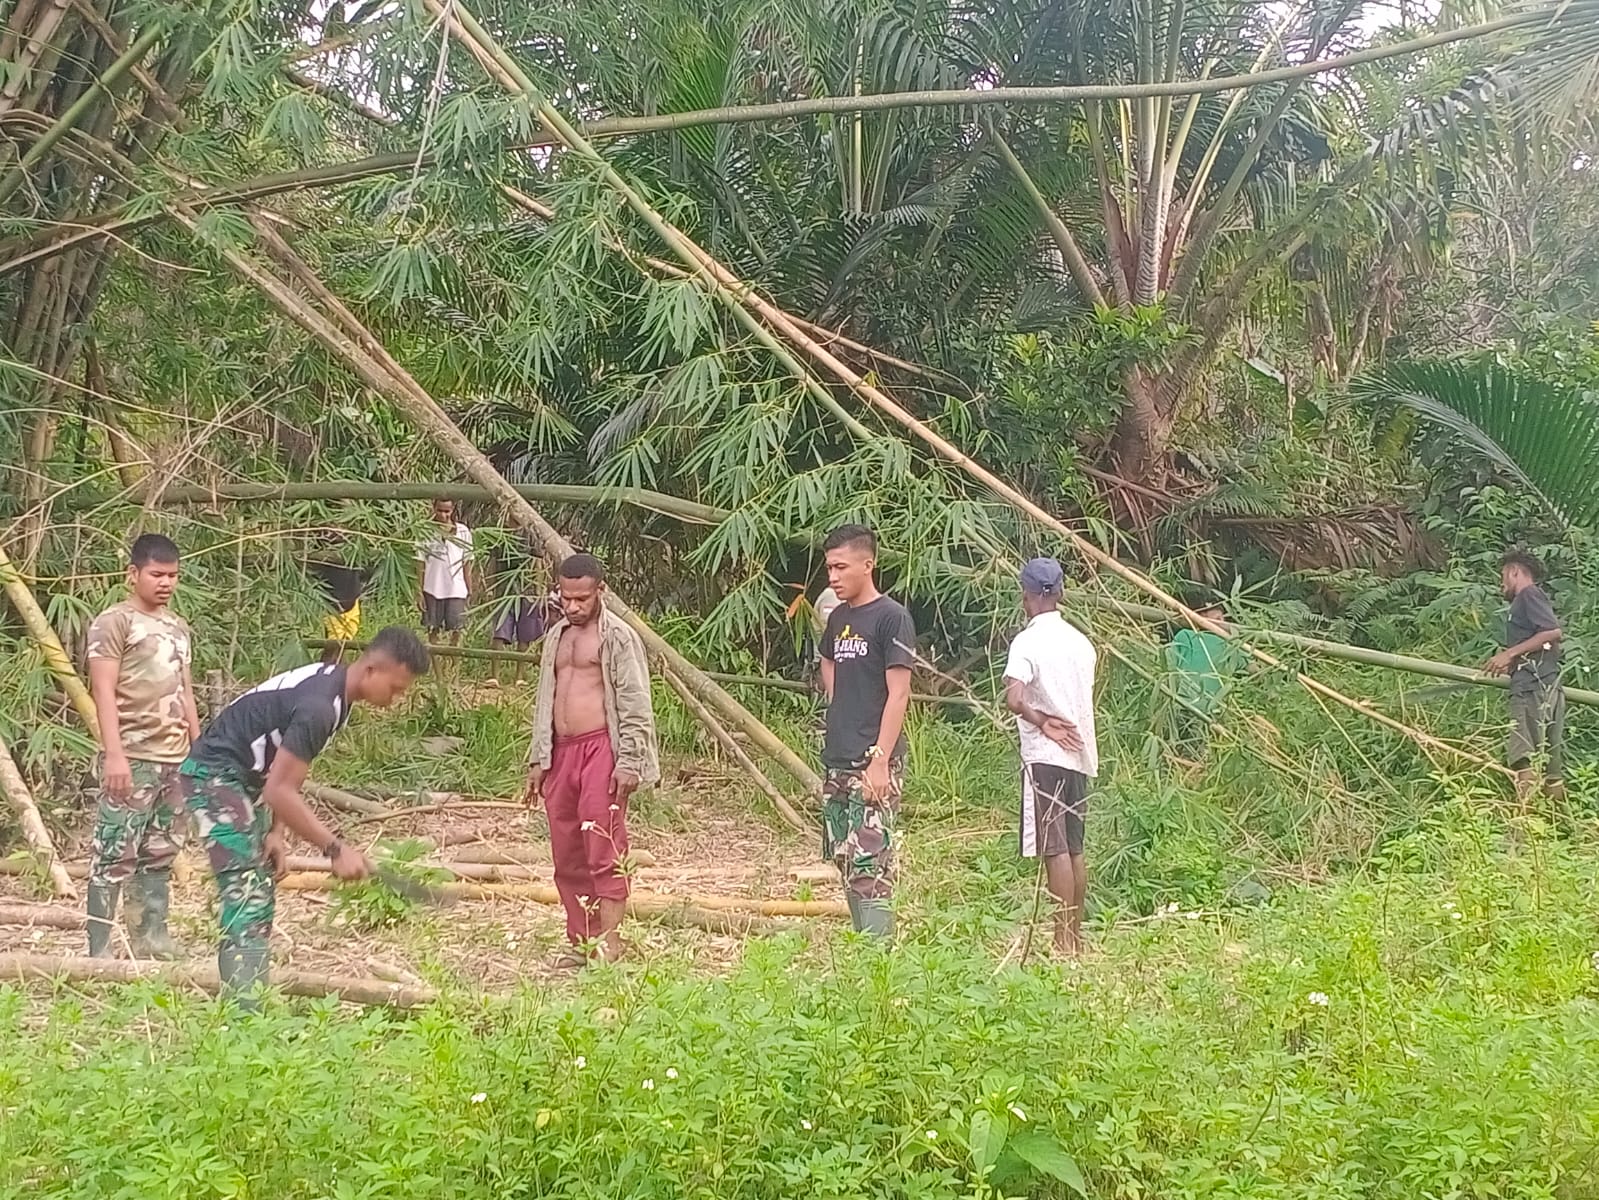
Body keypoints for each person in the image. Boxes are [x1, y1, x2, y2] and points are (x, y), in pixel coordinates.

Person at [179, 626, 430, 1002]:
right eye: (396, 689)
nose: (394, 700)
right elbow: (279, 790)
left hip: (244, 780)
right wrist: (334, 849)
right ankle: (243, 1015)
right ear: (373, 670)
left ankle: (249, 997)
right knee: (247, 893)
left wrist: (276, 833)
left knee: (259, 886)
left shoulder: (335, 693)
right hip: (214, 777)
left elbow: (285, 777)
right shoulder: (319, 706)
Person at [522, 554, 659, 966]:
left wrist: (630, 760)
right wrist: (538, 756)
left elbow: (635, 701)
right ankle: (582, 940)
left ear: (600, 590)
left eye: (582, 598)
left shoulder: (618, 637)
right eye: (567, 598)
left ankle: (610, 944)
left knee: (604, 847)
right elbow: (546, 697)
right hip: (562, 752)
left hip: (602, 748)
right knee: (567, 852)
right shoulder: (556, 636)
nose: (574, 606)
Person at [83, 533, 202, 959]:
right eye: (157, 574)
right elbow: (103, 691)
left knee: (160, 852)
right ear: (133, 574)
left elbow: (185, 691)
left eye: (172, 576)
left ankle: (151, 937)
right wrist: (114, 754)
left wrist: (198, 748)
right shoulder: (114, 622)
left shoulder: (177, 627)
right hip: (132, 754)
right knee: (114, 852)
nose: (165, 583)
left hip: (175, 757)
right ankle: (99, 949)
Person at [818, 524, 915, 937]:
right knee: (843, 856)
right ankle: (862, 946)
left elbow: (899, 694)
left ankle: (878, 961)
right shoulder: (839, 617)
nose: (833, 577)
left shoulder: (892, 618)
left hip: (872, 760)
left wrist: (879, 760)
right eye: (829, 569)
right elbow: (828, 661)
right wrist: (842, 703)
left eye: (841, 567)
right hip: (838, 757)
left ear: (867, 564)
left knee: (870, 862)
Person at [1002, 558, 1098, 957]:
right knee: (1075, 848)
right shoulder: (1081, 642)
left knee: (1054, 848)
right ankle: (1074, 939)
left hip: (1046, 756)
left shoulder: (1027, 642)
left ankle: (1060, 945)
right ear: (1060, 593)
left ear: (1025, 595)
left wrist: (1041, 721)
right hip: (1079, 755)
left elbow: (1014, 698)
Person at [1482, 550, 1565, 809]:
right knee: (1551, 764)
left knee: (1523, 755)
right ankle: (1562, 828)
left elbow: (1552, 632)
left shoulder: (1528, 594)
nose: (1501, 583)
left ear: (1515, 571)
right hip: (1547, 684)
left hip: (1531, 687)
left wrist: (1509, 653)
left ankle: (1523, 826)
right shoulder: (1532, 598)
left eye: (1503, 575)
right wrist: (1515, 663)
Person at [1163, 600, 1243, 759]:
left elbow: (1167, 665)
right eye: (1219, 619)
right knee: (1201, 755)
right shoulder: (1188, 636)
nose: (1223, 624)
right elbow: (1253, 669)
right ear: (1199, 618)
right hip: (1204, 706)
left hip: (1189, 704)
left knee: (1183, 752)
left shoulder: (1187, 636)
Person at [416, 497, 474, 655]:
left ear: (453, 509)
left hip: (457, 589)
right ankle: (439, 675)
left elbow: (466, 562)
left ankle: (454, 672)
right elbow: (420, 563)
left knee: (457, 630)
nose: (443, 515)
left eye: (447, 511)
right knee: (432, 631)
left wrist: (470, 589)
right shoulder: (425, 530)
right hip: (432, 588)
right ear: (433, 508)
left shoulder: (463, 531)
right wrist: (419, 591)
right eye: (440, 511)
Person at [308, 560, 366, 666]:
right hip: (333, 604)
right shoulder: (326, 551)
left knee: (344, 643)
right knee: (333, 645)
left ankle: (335, 671)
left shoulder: (353, 549)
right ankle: (324, 673)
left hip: (352, 598)